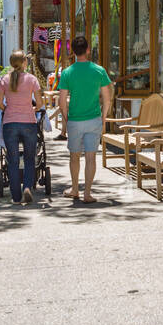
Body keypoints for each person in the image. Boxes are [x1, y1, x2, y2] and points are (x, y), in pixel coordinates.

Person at [57, 34, 113, 204]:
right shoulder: (99, 70)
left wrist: (66, 118)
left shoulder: (67, 73)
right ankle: (87, 193)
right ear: (88, 50)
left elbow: (61, 101)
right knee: (91, 157)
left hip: (75, 120)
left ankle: (75, 189)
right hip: (94, 119)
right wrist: (103, 118)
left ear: (73, 52)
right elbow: (107, 98)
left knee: (74, 157)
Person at [0, 49, 42, 205]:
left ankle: (16, 197)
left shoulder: (4, 80)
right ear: (24, 62)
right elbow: (40, 104)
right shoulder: (32, 79)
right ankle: (27, 188)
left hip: (10, 123)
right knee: (30, 158)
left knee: (13, 160)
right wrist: (32, 109)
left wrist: (8, 110)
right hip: (29, 122)